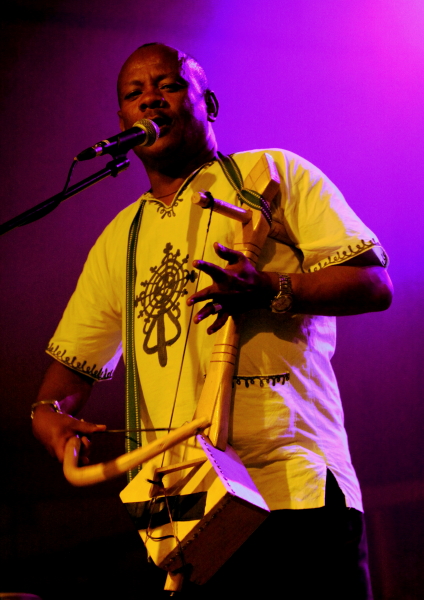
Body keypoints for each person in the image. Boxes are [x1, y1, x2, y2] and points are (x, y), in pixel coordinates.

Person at [31, 43, 393, 598]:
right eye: (134, 93)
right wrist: (50, 419)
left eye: (169, 85)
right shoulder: (119, 239)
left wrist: (270, 289)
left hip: (294, 486)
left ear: (210, 104)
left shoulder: (273, 172)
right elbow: (66, 379)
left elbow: (373, 284)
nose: (151, 99)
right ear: (123, 123)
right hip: (191, 513)